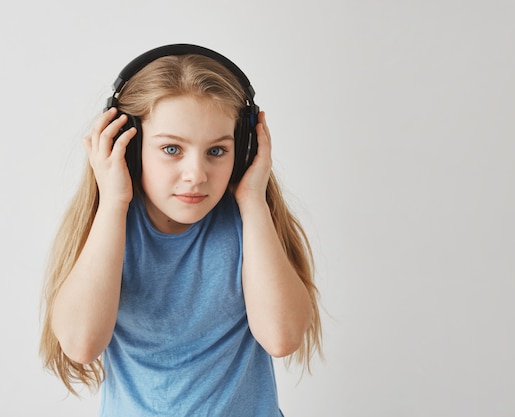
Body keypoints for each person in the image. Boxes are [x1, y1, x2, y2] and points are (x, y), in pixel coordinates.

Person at [39, 44, 322, 416]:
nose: (196, 175)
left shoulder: (249, 226)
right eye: (172, 149)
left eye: (217, 151)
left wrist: (253, 200)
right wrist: (112, 200)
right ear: (129, 147)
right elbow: (80, 344)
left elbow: (282, 338)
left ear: (245, 148)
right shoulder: (110, 230)